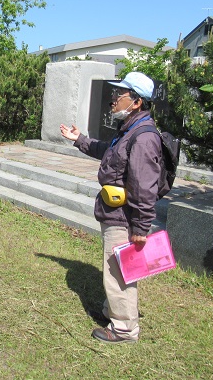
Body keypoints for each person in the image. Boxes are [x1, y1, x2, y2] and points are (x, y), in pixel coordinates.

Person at [60, 71, 161, 344]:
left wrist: (140, 227)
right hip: (114, 211)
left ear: (137, 101)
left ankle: (125, 329)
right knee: (113, 268)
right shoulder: (129, 128)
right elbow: (108, 151)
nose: (114, 98)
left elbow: (144, 186)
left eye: (121, 94)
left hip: (125, 217)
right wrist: (80, 139)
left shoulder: (144, 136)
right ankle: (111, 312)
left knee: (120, 272)